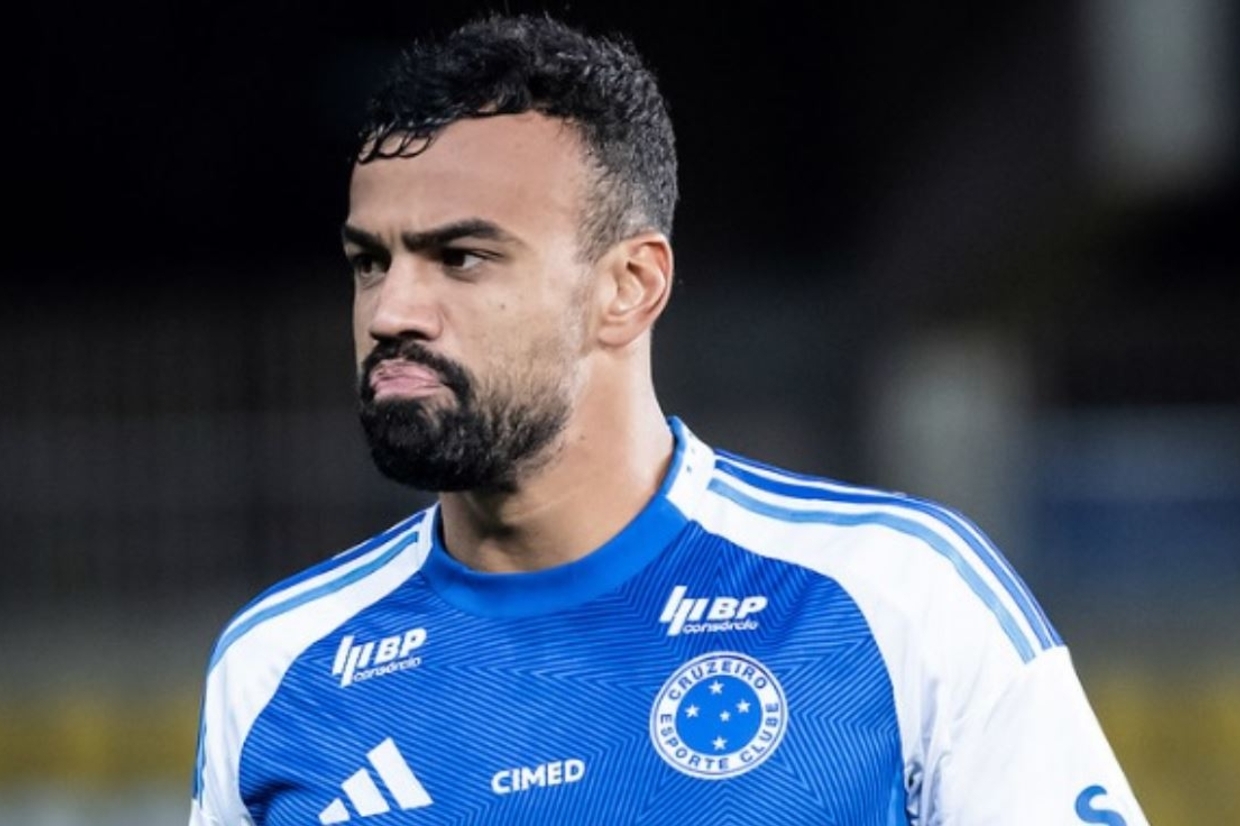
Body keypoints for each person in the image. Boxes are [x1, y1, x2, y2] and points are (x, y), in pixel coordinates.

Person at [189, 12, 1148, 825]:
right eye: (371, 262)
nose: (392, 310)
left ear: (629, 287)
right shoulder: (274, 671)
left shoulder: (897, 597)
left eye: (462, 257)